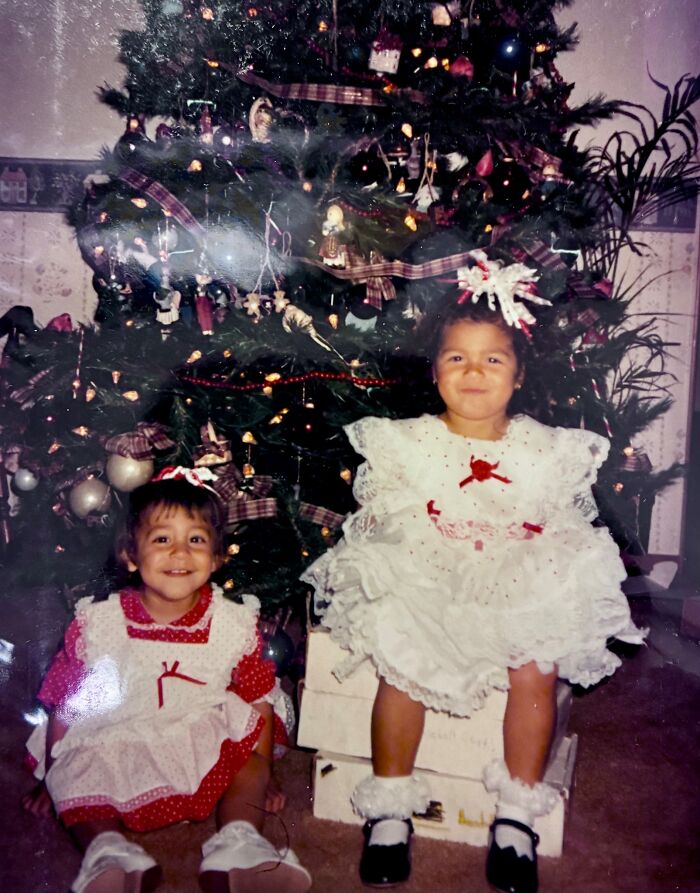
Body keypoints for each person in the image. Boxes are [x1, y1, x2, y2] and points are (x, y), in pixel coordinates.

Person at [302, 285, 645, 893]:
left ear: (518, 375)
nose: (474, 372)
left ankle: (516, 817)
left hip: (516, 569)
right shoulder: (408, 441)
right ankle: (389, 811)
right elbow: (386, 513)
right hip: (429, 564)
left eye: (493, 359)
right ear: (435, 372)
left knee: (536, 664)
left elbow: (564, 522)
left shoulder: (543, 447)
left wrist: (540, 557)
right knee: (402, 658)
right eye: (457, 357)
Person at [23, 468, 311, 893]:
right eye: (162, 539)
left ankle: (241, 841)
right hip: (117, 731)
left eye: (196, 540)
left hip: (200, 727)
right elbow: (68, 704)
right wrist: (54, 776)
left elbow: (259, 699)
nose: (180, 552)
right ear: (130, 555)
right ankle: (108, 851)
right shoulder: (100, 624)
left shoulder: (232, 623)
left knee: (247, 753)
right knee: (78, 768)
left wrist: (264, 772)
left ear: (217, 558)